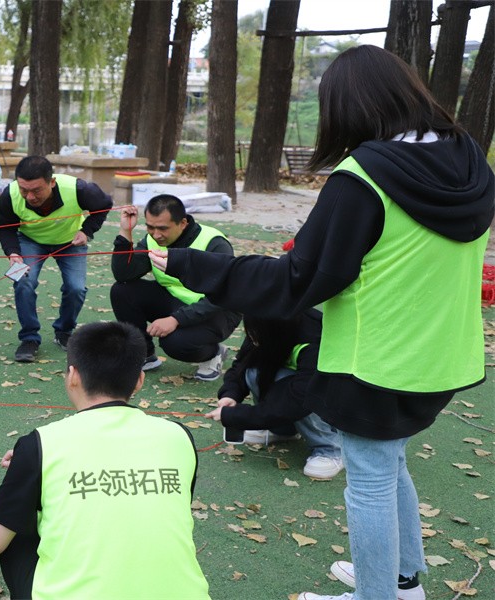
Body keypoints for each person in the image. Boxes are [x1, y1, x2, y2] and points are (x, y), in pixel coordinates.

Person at [151, 46, 494, 600]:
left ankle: (377, 595)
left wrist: (194, 264)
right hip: (445, 355)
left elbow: (298, 280)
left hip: (377, 361)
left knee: (371, 480)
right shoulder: (469, 158)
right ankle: (402, 583)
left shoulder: (364, 177)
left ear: (350, 108)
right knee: (390, 463)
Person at [0, 321, 210, 599]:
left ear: (72, 375)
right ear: (139, 380)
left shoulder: (41, 443)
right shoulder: (179, 436)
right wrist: (36, 467)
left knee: (20, 519)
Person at [0, 155, 113, 362]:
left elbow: (104, 205)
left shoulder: (79, 189)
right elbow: (5, 229)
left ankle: (64, 331)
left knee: (76, 288)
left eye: (36, 190)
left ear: (52, 182)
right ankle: (29, 338)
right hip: (30, 240)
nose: (30, 197)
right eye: (24, 190)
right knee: (22, 281)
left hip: (70, 241)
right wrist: (13, 253)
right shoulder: (10, 194)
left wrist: (86, 231)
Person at [111, 195, 241, 379]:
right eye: (150, 227)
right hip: (176, 300)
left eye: (163, 228)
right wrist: (125, 232)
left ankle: (214, 353)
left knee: (174, 343)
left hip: (217, 310)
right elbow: (123, 275)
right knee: (121, 290)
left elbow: (221, 295)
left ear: (183, 223)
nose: (156, 234)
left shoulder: (214, 243)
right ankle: (143, 354)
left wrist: (175, 319)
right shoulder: (152, 240)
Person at [204, 310, 343, 479]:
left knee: (302, 393)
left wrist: (236, 416)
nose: (252, 339)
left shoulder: (314, 340)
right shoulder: (262, 326)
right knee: (254, 372)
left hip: (336, 394)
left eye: (255, 335)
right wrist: (230, 394)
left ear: (275, 331)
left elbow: (299, 399)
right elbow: (241, 365)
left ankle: (330, 448)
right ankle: (282, 430)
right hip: (297, 383)